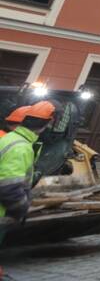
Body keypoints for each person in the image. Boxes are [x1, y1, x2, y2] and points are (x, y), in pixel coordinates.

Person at [0, 100, 54, 279]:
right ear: (45, 125)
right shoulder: (21, 147)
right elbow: (9, 187)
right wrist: (21, 209)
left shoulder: (9, 139)